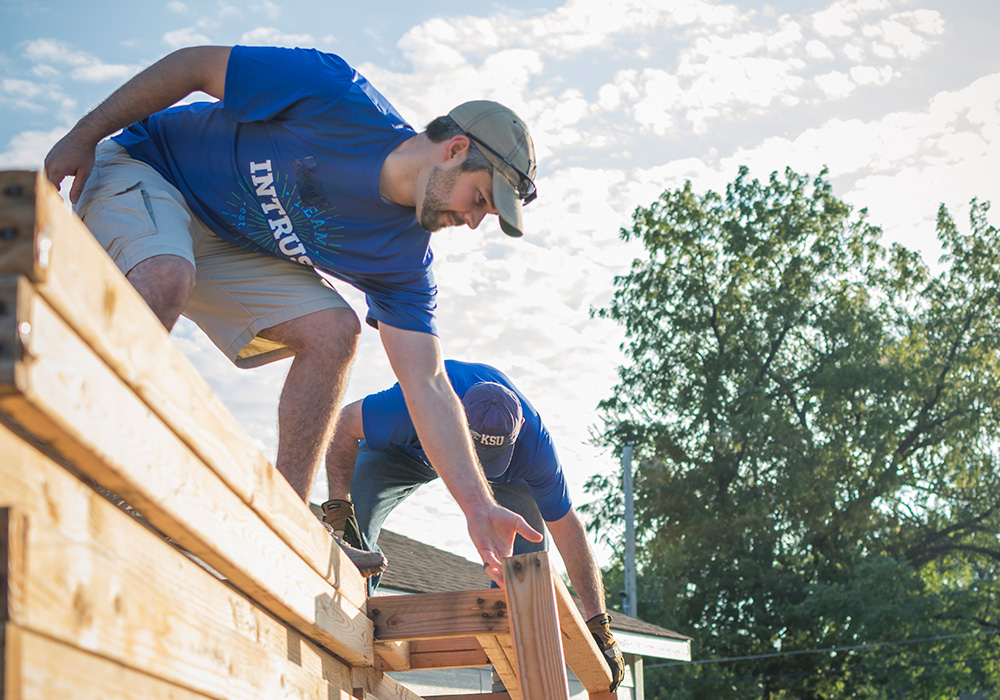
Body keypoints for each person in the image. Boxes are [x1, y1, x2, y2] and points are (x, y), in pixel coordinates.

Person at [43, 45, 542, 583]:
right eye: (479, 199)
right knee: (166, 275)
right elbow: (192, 66)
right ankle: (71, 445)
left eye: (484, 215)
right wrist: (84, 133)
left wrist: (476, 506)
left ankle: (284, 526)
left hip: (224, 239)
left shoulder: (405, 261)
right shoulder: (333, 93)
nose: (472, 221)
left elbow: (427, 382)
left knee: (334, 332)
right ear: (455, 149)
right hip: (145, 168)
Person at [322, 359, 625, 692]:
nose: (478, 470)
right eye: (477, 454)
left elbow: (568, 530)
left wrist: (598, 621)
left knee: (529, 546)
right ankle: (350, 632)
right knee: (355, 526)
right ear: (456, 413)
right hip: (409, 451)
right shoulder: (413, 403)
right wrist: (339, 507)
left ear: (520, 425)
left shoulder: (536, 447)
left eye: (490, 459)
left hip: (508, 476)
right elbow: (345, 424)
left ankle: (510, 669)